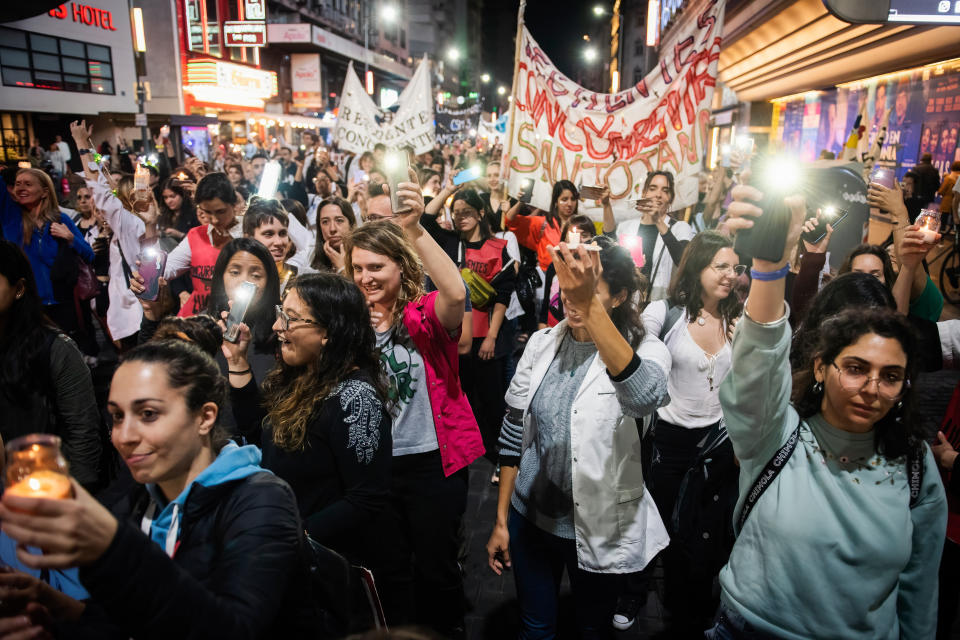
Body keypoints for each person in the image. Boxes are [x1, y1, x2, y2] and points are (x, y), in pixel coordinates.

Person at [705, 184, 946, 639]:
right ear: (820, 366)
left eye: (890, 376)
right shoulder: (777, 432)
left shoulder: (914, 463)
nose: (872, 388)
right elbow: (759, 364)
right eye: (855, 368)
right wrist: (770, 268)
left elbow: (919, 592)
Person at [0, 338, 319, 638]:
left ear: (205, 417)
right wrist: (53, 607)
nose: (124, 436)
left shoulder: (261, 500)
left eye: (148, 414)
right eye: (116, 416)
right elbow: (129, 622)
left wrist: (113, 547)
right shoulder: (143, 501)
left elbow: (236, 630)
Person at [485, 236, 670, 638]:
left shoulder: (647, 349)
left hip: (598, 526)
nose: (571, 300)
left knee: (591, 629)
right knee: (535, 629)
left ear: (619, 296)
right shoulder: (542, 342)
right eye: (567, 290)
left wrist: (589, 306)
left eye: (587, 291)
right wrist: (501, 520)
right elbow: (514, 429)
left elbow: (643, 398)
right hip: (530, 517)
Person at [345, 170, 483, 636]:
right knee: (390, 571)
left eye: (376, 267)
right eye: (358, 268)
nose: (365, 278)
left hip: (430, 463)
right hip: (375, 468)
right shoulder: (347, 325)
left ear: (400, 268)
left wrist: (416, 229)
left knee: (437, 569)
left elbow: (457, 293)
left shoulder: (422, 313)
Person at [225, 273, 393, 595]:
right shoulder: (303, 375)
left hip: (325, 572)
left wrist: (293, 536)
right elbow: (261, 434)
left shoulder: (355, 399)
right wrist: (237, 361)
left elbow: (367, 499)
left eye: (289, 318)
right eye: (279, 313)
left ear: (328, 332)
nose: (277, 327)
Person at [635, 231, 743, 635]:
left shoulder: (739, 319)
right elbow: (641, 350)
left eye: (736, 268)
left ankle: (692, 609)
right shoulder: (666, 313)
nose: (731, 275)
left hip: (717, 444)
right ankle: (644, 592)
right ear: (698, 267)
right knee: (664, 527)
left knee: (707, 531)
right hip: (670, 443)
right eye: (721, 266)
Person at [0, 240, 101, 491]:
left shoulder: (55, 350)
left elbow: (83, 435)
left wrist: (70, 501)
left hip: (42, 494)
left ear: (19, 288)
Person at [451, 189, 516, 471]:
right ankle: (467, 450)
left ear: (480, 213)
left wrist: (491, 337)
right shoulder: (451, 245)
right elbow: (427, 221)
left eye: (466, 212)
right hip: (456, 338)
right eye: (456, 213)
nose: (460, 218)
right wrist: (449, 189)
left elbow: (503, 296)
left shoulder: (497, 247)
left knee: (491, 402)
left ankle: (500, 458)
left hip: (486, 337)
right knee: (462, 399)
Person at [0, 168, 95, 339]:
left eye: (28, 184)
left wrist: (70, 238)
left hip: (64, 304)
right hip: (28, 306)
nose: (21, 188)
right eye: (17, 184)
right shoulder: (10, 217)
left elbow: (89, 255)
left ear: (44, 192)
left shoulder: (61, 219)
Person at [133, 173, 242, 317]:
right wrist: (150, 225)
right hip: (196, 320)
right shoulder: (196, 235)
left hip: (236, 320)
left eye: (220, 211)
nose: (214, 220)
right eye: (207, 212)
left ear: (234, 205)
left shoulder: (248, 234)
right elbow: (163, 269)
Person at [204, 237, 280, 384]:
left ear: (269, 282)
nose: (244, 281)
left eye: (256, 275)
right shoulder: (203, 325)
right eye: (235, 272)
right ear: (221, 277)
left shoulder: (280, 331)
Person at [616, 171, 695, 301]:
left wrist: (658, 220)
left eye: (665, 191)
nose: (658, 195)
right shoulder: (627, 227)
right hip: (629, 302)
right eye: (653, 189)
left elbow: (683, 261)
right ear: (644, 194)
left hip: (661, 304)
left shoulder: (680, 228)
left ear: (671, 199)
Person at [504, 180, 580, 272]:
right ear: (556, 201)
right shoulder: (543, 223)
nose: (569, 204)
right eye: (564, 199)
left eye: (573, 199)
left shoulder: (582, 225)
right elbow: (510, 221)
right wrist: (521, 201)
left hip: (576, 277)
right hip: (547, 278)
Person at [539, 216, 598, 328]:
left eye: (584, 236)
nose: (579, 240)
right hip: (554, 329)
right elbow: (546, 303)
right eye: (573, 236)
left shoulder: (594, 269)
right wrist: (543, 329)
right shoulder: (555, 266)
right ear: (564, 240)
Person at [241, 197, 299, 283]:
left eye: (283, 233)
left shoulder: (301, 279)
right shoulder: (237, 279)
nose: (279, 242)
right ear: (249, 239)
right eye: (268, 234)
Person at [310, 196, 357, 273]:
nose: (332, 229)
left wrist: (343, 269)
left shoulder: (364, 256)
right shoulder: (310, 256)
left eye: (339, 220)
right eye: (325, 222)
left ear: (351, 224)